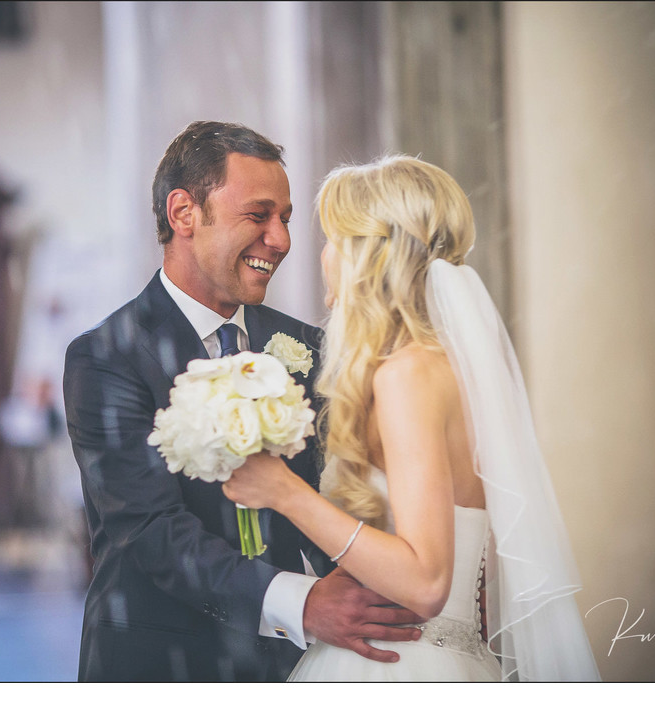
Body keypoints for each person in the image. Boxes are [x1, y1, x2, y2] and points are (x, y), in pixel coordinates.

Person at [63, 122, 423, 682]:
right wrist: (303, 603)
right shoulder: (106, 357)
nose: (280, 240)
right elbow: (150, 532)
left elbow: (336, 498)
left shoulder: (309, 347)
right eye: (259, 216)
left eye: (285, 219)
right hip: (158, 666)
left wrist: (392, 586)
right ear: (183, 213)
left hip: (289, 667)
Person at [223, 155, 602, 681]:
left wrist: (285, 492)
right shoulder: (448, 368)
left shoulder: (408, 375)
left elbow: (426, 581)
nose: (324, 255)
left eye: (334, 238)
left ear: (369, 254)